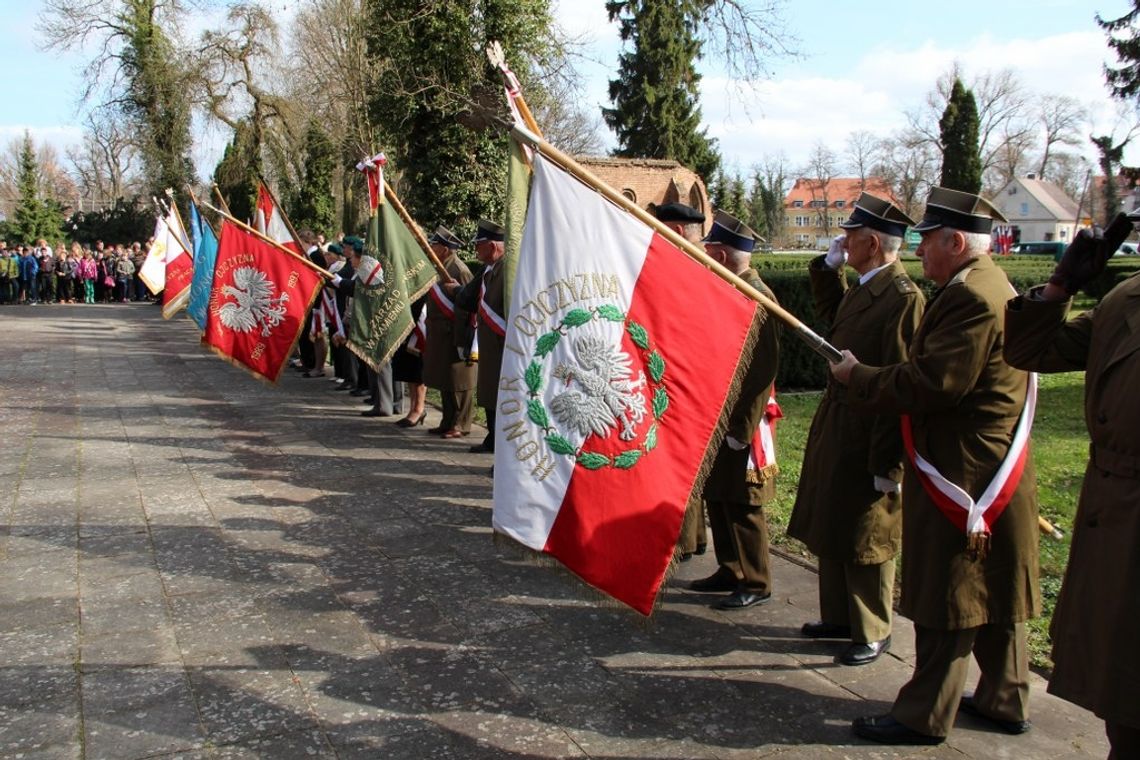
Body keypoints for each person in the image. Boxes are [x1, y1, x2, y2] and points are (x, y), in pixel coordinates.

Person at [829, 187, 1041, 745]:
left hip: (964, 471)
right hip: (988, 464)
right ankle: (1005, 695)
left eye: (927, 240)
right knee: (994, 592)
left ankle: (924, 713)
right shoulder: (984, 283)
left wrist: (861, 378)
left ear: (955, 241)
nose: (920, 250)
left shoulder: (970, 296)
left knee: (953, 592)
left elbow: (934, 382)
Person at [1003, 211, 1140, 760]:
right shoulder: (1126, 300)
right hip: (1115, 523)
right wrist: (1061, 286)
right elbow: (1032, 352)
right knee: (1122, 703)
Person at [788, 193, 925, 666]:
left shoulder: (903, 298)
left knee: (868, 530)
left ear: (871, 243)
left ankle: (872, 627)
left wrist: (889, 463)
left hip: (870, 426)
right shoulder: (868, 285)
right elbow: (837, 321)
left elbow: (899, 381)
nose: (843, 240)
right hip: (840, 421)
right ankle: (839, 617)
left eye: (850, 236)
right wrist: (827, 270)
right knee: (835, 520)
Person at [687, 211, 781, 610]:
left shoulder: (757, 296)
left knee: (744, 501)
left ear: (722, 256)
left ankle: (755, 580)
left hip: (743, 419)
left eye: (709, 250)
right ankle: (730, 567)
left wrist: (741, 427)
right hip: (719, 413)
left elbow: (761, 372)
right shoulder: (731, 287)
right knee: (719, 493)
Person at [654, 202, 710, 561]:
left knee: (680, 462)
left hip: (688, 381)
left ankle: (684, 541)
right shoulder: (693, 263)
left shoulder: (698, 268)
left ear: (675, 232)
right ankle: (696, 536)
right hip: (679, 376)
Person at [422, 226, 477, 439]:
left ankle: (461, 423)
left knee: (459, 381)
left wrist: (461, 337)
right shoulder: (440, 267)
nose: (431, 247)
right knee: (445, 379)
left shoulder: (459, 270)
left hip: (454, 332)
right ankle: (447, 420)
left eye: (434, 244)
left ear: (445, 249)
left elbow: (467, 306)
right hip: (439, 332)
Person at [459, 219, 506, 454]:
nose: (476, 250)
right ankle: (492, 438)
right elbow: (466, 299)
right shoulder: (488, 270)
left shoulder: (506, 270)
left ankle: (500, 445)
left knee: (499, 395)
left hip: (502, 345)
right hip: (488, 342)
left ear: (494, 246)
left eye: (480, 245)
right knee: (488, 391)